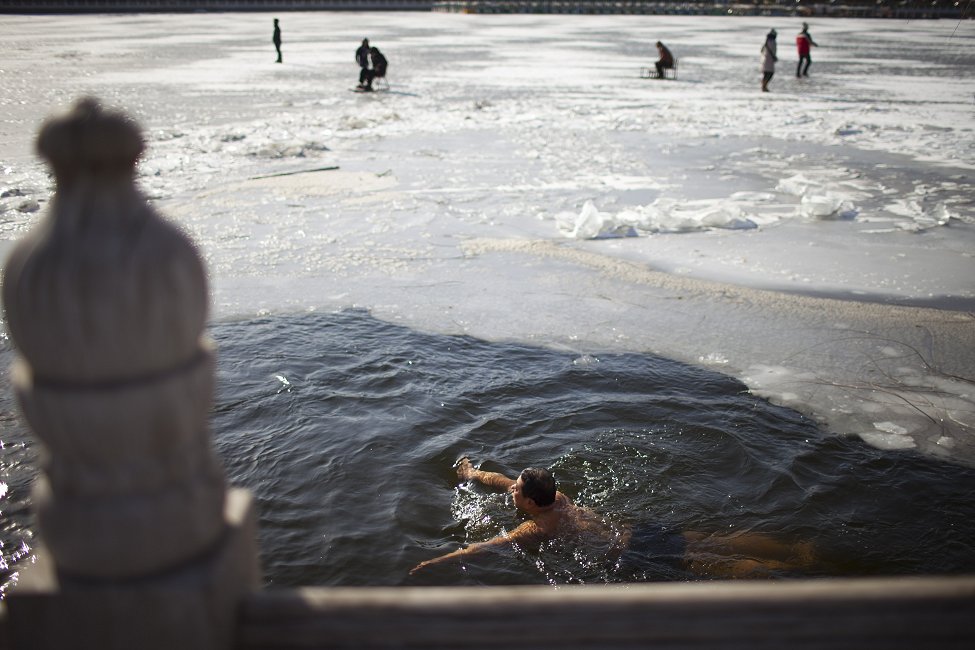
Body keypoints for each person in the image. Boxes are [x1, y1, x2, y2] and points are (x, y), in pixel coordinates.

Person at [410, 458, 816, 579]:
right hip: (635, 532)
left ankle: (786, 573)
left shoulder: (536, 526)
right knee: (705, 540)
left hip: (629, 553)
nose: (510, 490)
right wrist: (471, 474)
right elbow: (502, 481)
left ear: (532, 503)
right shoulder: (558, 497)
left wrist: (436, 560)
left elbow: (488, 546)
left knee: (709, 563)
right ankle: (794, 551)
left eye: (517, 490)